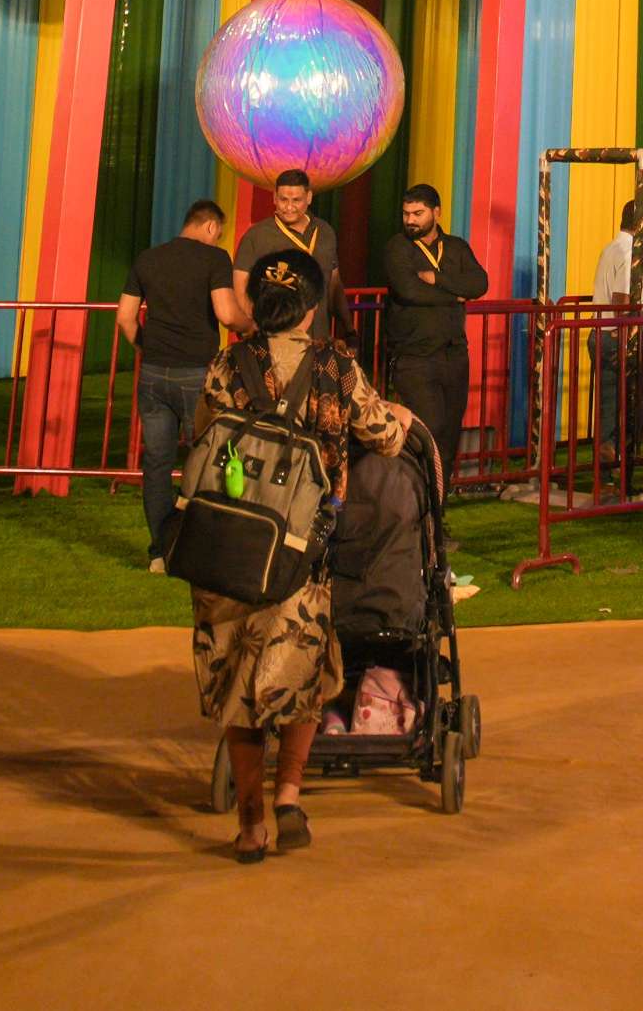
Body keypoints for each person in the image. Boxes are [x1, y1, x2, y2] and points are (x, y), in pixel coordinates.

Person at [182, 248, 408, 862]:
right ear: (311, 307)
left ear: (256, 303)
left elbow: (203, 432)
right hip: (298, 556)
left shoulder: (229, 363)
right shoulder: (335, 365)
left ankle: (251, 822)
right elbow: (383, 438)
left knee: (236, 684)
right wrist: (400, 418)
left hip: (225, 548)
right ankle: (288, 794)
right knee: (304, 675)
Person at [118, 200, 248, 570]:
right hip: (196, 374)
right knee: (207, 458)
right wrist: (250, 324)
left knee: (156, 464)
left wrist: (146, 346)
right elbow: (225, 313)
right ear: (210, 227)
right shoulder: (214, 258)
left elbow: (126, 318)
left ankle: (159, 551)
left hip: (154, 374)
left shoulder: (148, 259)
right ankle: (200, 548)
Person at [372, 184, 487, 479]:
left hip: (454, 354)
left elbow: (479, 284)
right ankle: (416, 507)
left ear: (436, 213)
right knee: (430, 430)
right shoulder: (398, 247)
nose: (410, 220)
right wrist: (454, 293)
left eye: (418, 213)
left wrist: (435, 278)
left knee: (449, 436)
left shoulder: (457, 247)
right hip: (413, 357)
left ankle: (438, 511)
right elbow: (410, 291)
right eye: (406, 213)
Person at [592, 195, 643, 488]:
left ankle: (607, 470)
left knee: (608, 404)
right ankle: (622, 458)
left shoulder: (611, 248)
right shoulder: (630, 251)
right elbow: (622, 299)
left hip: (603, 333)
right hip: (622, 335)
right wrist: (632, 333)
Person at [234, 167, 339, 321]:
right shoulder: (257, 236)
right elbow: (240, 289)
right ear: (274, 197)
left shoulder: (325, 231)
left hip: (318, 338)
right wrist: (256, 327)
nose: (289, 207)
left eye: (296, 200)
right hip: (276, 339)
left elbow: (334, 284)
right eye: (283, 200)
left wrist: (348, 327)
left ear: (309, 198)